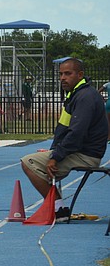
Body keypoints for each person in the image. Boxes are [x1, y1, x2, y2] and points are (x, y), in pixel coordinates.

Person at [20, 57, 108, 219]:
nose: (62, 78)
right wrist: (54, 151)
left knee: (28, 162)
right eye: (60, 74)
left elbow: (76, 133)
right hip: (79, 151)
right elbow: (62, 129)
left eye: (68, 74)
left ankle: (58, 209)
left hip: (85, 155)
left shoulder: (85, 97)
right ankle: (58, 208)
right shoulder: (75, 94)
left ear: (80, 74)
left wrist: (56, 157)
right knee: (40, 164)